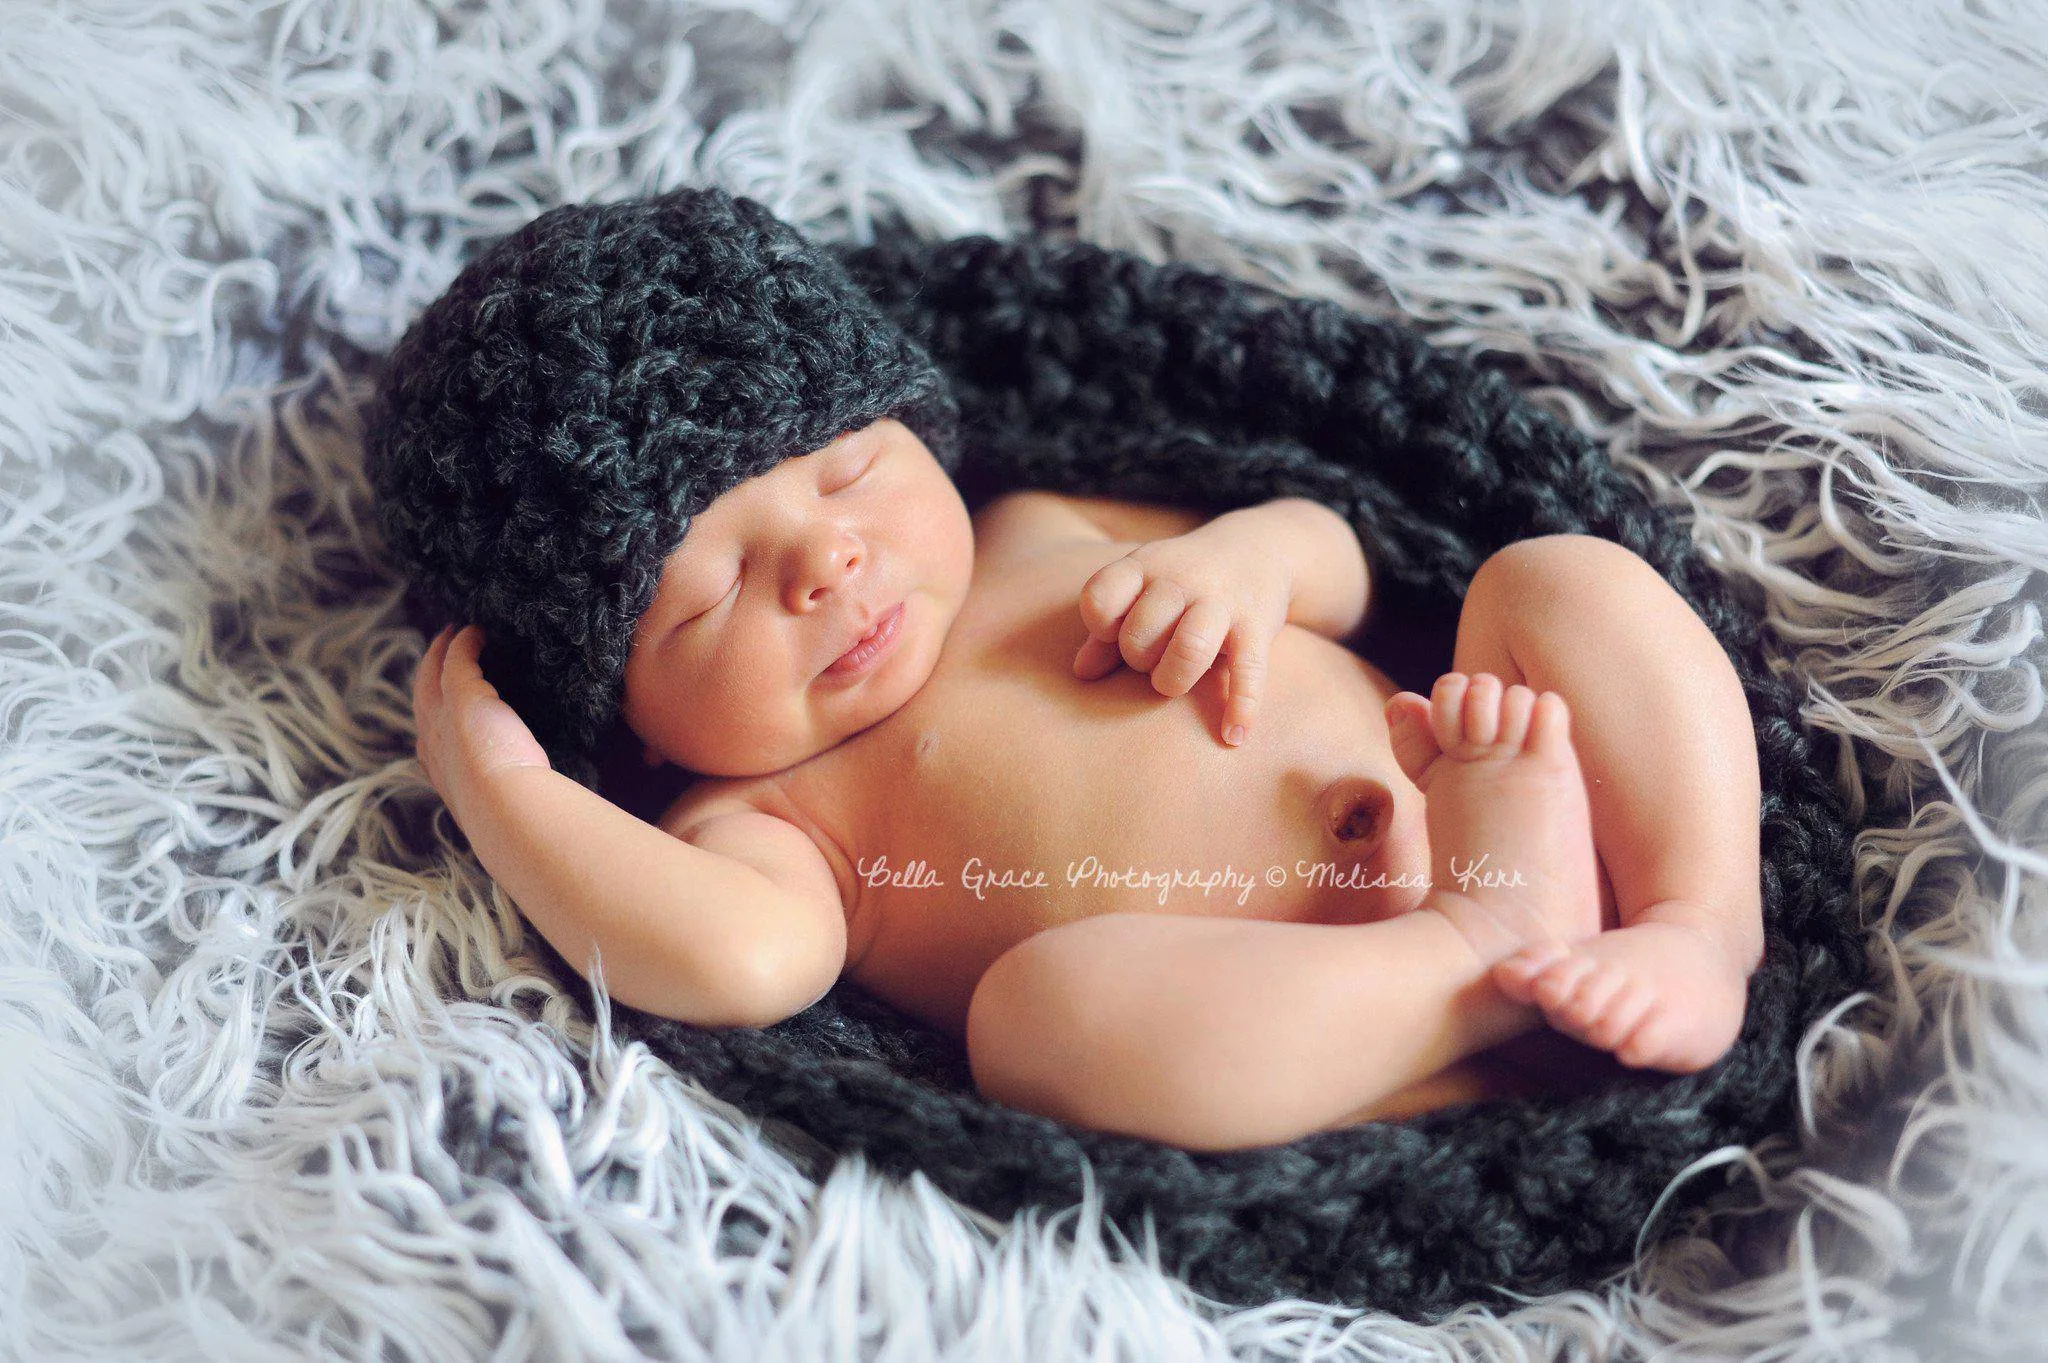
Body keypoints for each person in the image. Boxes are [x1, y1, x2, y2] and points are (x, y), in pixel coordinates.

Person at [374, 188, 1764, 1153]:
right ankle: (1473, 963)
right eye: (715, 590)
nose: (828, 563)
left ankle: (1697, 920)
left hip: (1531, 798)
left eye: (850, 471)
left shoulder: (1036, 530)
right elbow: (741, 960)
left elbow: (1336, 555)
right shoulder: (769, 821)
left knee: (1555, 581)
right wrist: (503, 789)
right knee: (1039, 1030)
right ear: (620, 716)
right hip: (1329, 1008)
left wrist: (1249, 560)